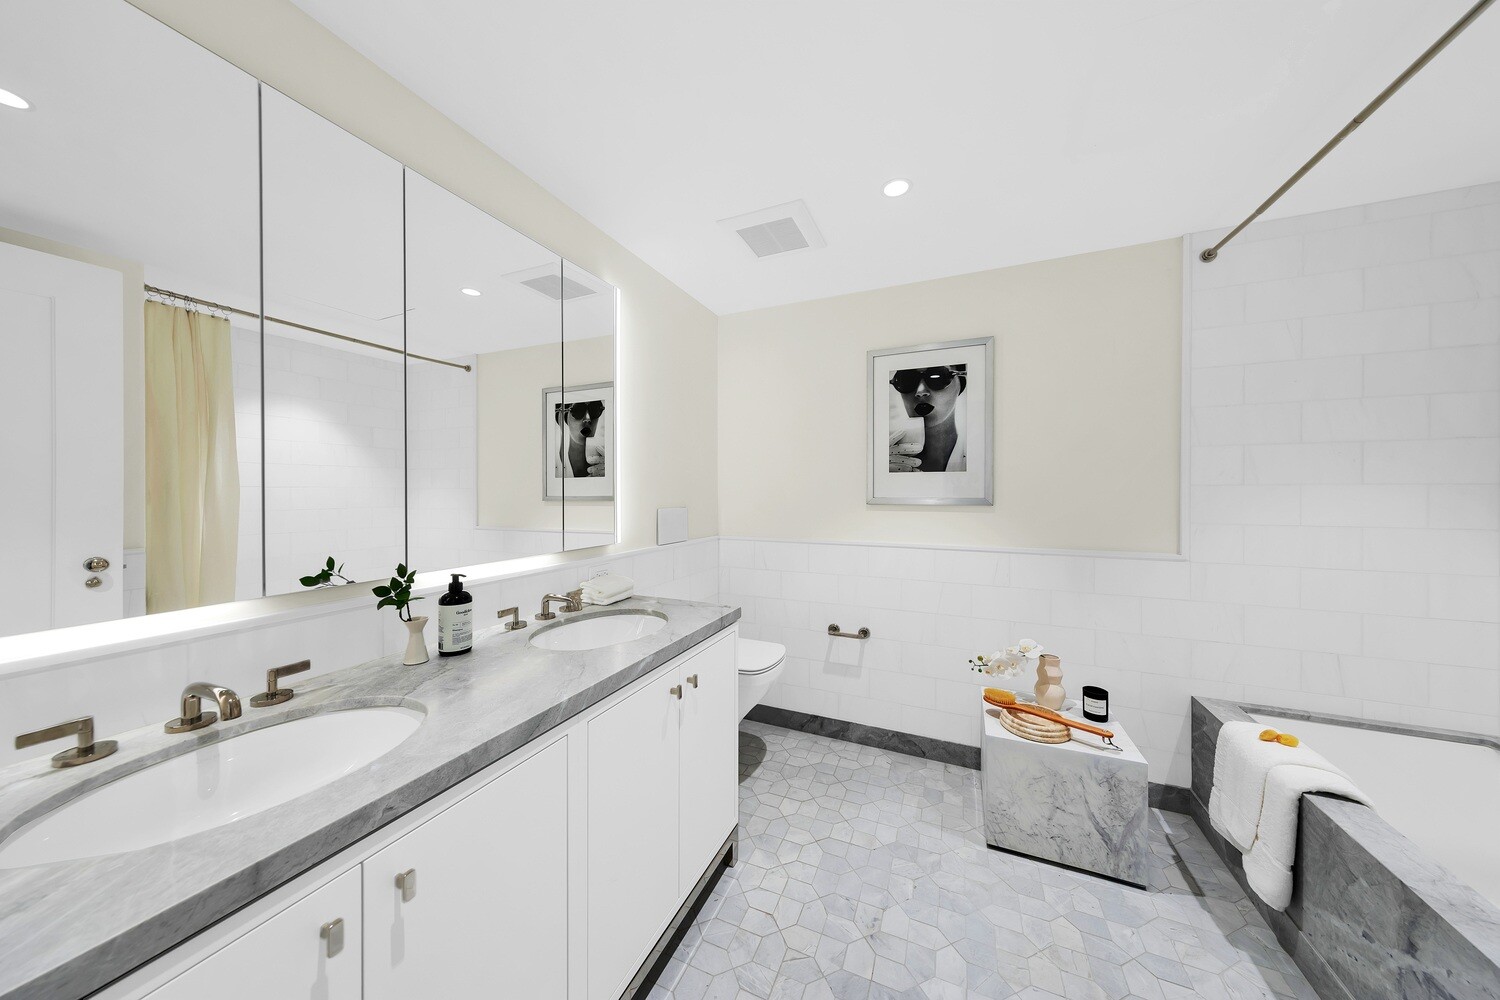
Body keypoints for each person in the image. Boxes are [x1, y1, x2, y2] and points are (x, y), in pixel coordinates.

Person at [888, 365, 966, 472]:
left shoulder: (977, 457)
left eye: (937, 377)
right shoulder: (884, 455)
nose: (920, 392)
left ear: (961, 384)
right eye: (907, 379)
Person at [555, 399, 607, 477]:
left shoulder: (609, 457)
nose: (588, 419)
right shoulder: (553, 466)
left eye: (594, 409)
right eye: (578, 410)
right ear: (563, 417)